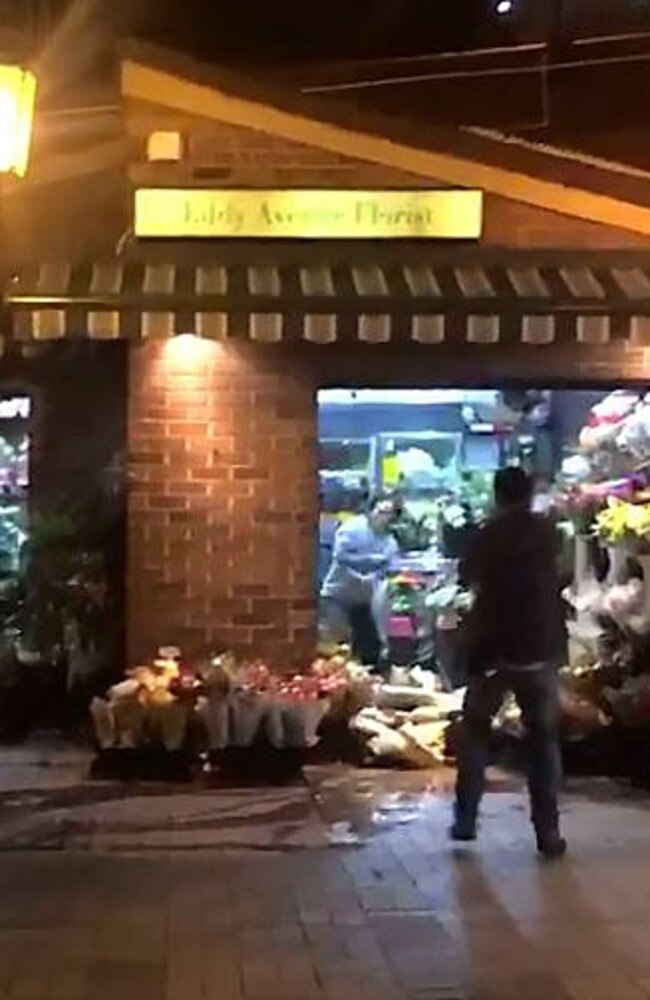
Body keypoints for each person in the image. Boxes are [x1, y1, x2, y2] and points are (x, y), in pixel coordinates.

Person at [451, 467, 567, 859]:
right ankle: (548, 832)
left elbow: (466, 577)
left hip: (493, 651)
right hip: (540, 648)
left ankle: (466, 821)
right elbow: (562, 576)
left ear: (498, 494)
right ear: (531, 493)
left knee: (476, 733)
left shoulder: (487, 535)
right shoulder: (548, 532)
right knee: (543, 739)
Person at [321, 495, 398, 666]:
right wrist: (373, 561)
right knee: (333, 648)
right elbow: (341, 555)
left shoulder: (389, 541)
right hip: (338, 596)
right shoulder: (353, 528)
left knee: (367, 650)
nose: (383, 516)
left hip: (365, 601)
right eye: (380, 511)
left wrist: (375, 569)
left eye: (388, 513)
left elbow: (389, 567)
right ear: (370, 511)